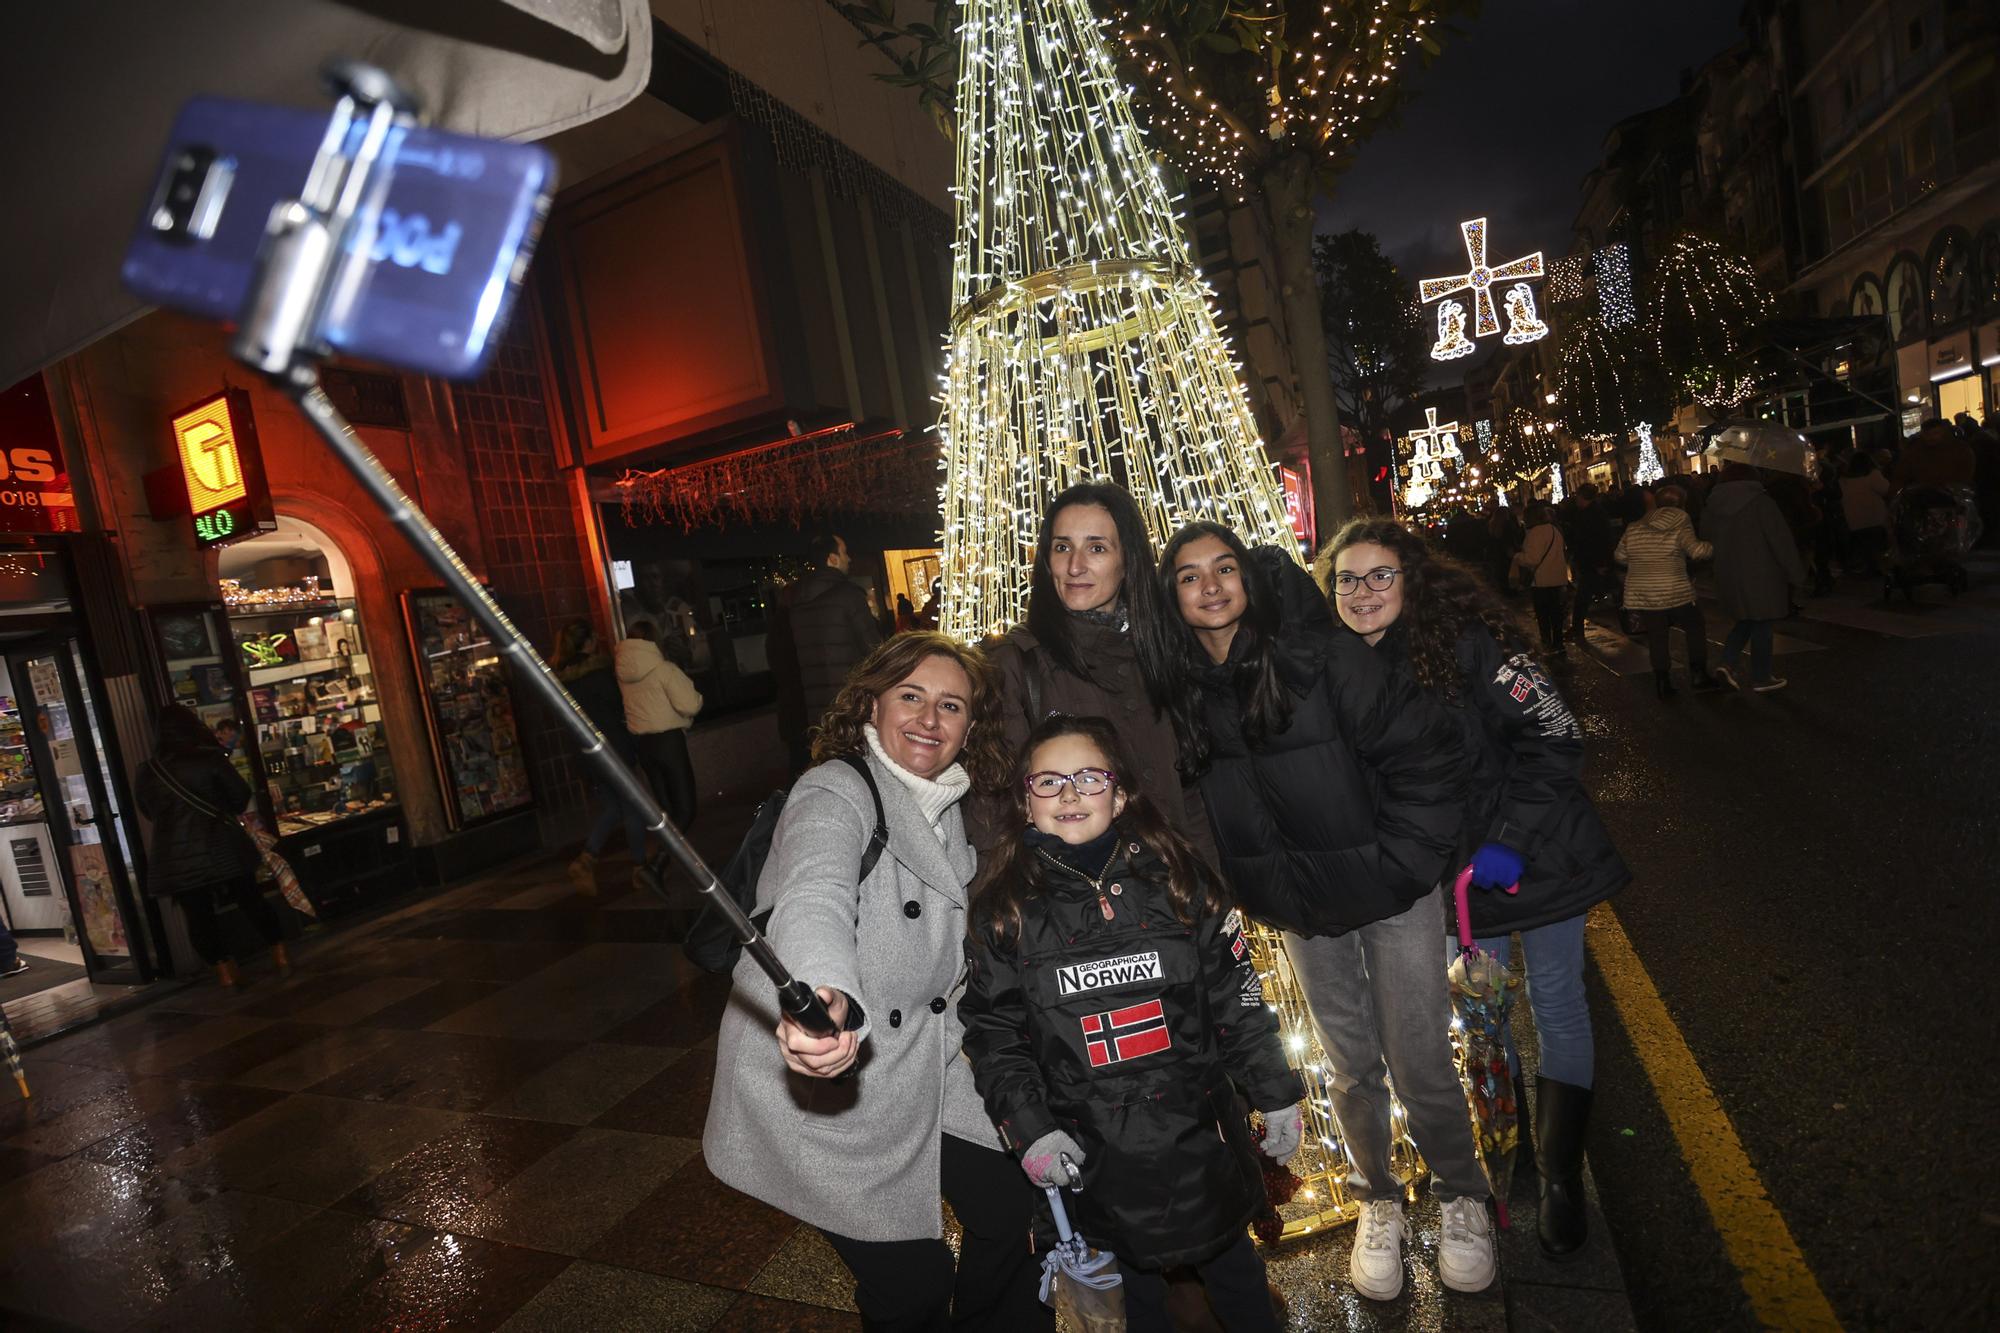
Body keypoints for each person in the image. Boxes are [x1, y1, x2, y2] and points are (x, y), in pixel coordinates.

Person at [1162, 522, 1492, 1302]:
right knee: (1348, 1064)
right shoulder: (1184, 691)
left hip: (1389, 892)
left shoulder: (1316, 653)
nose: (1210, 585)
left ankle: (1462, 1192)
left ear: (1251, 577)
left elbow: (1426, 756)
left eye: (1225, 567)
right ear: (1169, 597)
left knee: (1418, 1055)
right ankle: (1377, 1196)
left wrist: (1402, 865)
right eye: (1187, 576)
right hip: (1302, 910)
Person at [703, 633, 1050, 1333]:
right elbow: (814, 891)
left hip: (923, 1062)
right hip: (826, 1085)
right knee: (914, 1282)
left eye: (950, 705)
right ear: (873, 702)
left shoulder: (950, 808)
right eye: (911, 696)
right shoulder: (835, 788)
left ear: (970, 725)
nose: (929, 718)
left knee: (1017, 1201)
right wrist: (823, 991)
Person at [1324, 518, 1629, 1259]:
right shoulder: (1343, 666)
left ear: (1412, 577)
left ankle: (1559, 1176)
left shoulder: (1472, 640)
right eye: (1346, 580)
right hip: (1453, 880)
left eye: (1379, 576)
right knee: (1484, 1019)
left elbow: (1556, 734)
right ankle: (1506, 1156)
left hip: (1539, 856)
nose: (1363, 592)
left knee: (1555, 999)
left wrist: (1508, 841)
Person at [960, 714, 1302, 1332]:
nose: (1069, 794)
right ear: (1025, 802)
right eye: (1048, 782)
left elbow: (1236, 996)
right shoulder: (1004, 910)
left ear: (1119, 796)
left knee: (1240, 1284)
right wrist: (1031, 1130)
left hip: (1197, 1136)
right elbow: (994, 1034)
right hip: (1093, 1151)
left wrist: (1276, 1092)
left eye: (1088, 778)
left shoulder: (1178, 879)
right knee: (1137, 1305)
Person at [966, 481, 1210, 864]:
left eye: (1096, 547)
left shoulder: (1161, 654)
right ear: (1047, 562)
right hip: (1076, 908)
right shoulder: (1014, 664)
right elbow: (993, 815)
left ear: (1127, 561)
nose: (1075, 566)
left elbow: (1188, 796)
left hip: (1174, 898)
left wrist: (1212, 892)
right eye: (1062, 547)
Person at [134, 704, 289, 987]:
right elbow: (240, 796)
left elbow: (149, 811)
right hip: (221, 845)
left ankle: (225, 972)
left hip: (176, 855)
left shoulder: (147, 771)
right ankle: (279, 954)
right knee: (251, 900)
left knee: (198, 916)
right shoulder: (209, 758)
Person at [767, 532, 884, 774]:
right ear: (832, 559)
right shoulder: (849, 596)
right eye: (844, 552)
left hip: (815, 712)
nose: (849, 558)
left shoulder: (796, 603)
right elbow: (875, 653)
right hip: (852, 704)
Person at [552, 620, 646, 895]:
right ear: (589, 642)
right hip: (614, 750)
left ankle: (587, 858)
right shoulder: (601, 673)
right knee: (631, 809)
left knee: (613, 808)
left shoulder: (564, 681)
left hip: (587, 757)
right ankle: (641, 868)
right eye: (595, 637)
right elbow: (620, 707)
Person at [1703, 465, 1807, 694]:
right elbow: (1780, 539)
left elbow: (1706, 537)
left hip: (1729, 571)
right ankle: (1761, 676)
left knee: (1746, 620)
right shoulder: (1761, 502)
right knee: (1763, 621)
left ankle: (1726, 663)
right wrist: (1796, 573)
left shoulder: (1712, 504)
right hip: (1762, 570)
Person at [1614, 484, 1720, 699]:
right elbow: (1696, 551)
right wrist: (1712, 546)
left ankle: (1662, 681)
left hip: (1645, 592)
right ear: (1681, 503)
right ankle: (1698, 674)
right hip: (1675, 589)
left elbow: (1620, 556)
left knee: (1657, 636)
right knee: (1694, 626)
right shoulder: (1681, 520)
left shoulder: (1636, 525)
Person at [614, 622, 702, 835]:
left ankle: (680, 862)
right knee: (686, 809)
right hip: (669, 743)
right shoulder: (664, 670)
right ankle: (658, 863)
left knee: (668, 813)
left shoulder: (623, 674)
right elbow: (690, 704)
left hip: (644, 746)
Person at [1513, 503, 1569, 654]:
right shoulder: (1554, 530)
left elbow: (1532, 559)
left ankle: (1547, 642)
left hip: (1541, 579)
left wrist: (1517, 557)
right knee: (1556, 612)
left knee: (1543, 614)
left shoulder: (1535, 533)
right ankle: (1558, 642)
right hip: (1557, 577)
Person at [1563, 484, 1616, 641]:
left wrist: (1600, 563)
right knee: (1592, 593)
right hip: (1591, 561)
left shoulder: (1593, 515)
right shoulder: (1589, 513)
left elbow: (1599, 540)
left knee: (1583, 597)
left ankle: (1577, 628)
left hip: (1593, 562)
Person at [1841, 451, 1894, 577]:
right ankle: (1882, 570)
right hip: (1875, 518)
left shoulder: (1844, 480)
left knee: (1866, 548)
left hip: (1854, 520)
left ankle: (1871, 569)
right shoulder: (1873, 476)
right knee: (1879, 546)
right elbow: (1887, 490)